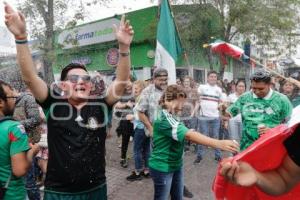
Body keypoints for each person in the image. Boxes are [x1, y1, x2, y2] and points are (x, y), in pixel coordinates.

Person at [4, 2, 134, 199]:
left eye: (86, 79)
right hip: (60, 192)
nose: (81, 82)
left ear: (90, 85)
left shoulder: (100, 106)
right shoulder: (53, 104)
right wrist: (21, 38)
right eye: (73, 79)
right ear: (63, 86)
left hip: (96, 189)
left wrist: (124, 48)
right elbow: (30, 78)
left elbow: (122, 81)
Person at [149, 85, 239, 200]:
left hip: (176, 164)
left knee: (178, 197)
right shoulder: (164, 117)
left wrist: (188, 132)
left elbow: (178, 131)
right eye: (178, 102)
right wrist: (219, 143)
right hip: (163, 167)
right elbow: (187, 135)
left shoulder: (171, 113)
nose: (181, 106)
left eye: (182, 103)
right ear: (167, 100)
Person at [220, 124, 300, 196]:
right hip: (250, 148)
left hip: (270, 147)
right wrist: (256, 176)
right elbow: (284, 180)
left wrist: (272, 130)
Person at [226, 69, 293, 151]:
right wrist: (222, 109)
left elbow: (291, 124)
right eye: (254, 88)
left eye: (261, 89)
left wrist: (273, 131)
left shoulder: (282, 100)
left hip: (272, 148)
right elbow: (228, 114)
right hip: (247, 149)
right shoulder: (245, 98)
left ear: (269, 85)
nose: (257, 91)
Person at [0, 80, 39, 200]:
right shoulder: (14, 128)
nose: (14, 100)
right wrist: (32, 151)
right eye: (11, 97)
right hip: (12, 195)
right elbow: (20, 170)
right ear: (1, 102)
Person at [13, 89, 43, 200]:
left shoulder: (27, 99)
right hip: (13, 145)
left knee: (29, 182)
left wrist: (13, 125)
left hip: (28, 144)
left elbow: (36, 119)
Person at [194, 70, 225, 164]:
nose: (213, 78)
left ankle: (218, 156)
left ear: (216, 78)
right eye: (211, 76)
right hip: (204, 117)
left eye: (215, 77)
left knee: (215, 137)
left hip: (215, 117)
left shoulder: (219, 90)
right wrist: (196, 95)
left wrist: (221, 105)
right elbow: (196, 98)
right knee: (202, 138)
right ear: (207, 78)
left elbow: (223, 102)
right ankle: (199, 156)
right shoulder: (202, 87)